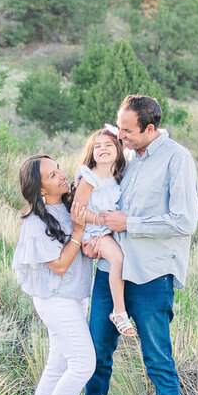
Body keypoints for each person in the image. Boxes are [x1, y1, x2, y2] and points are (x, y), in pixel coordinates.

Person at [72, 94, 198, 395]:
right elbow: (104, 206)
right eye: (119, 127)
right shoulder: (128, 159)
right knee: (97, 355)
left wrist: (131, 225)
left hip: (151, 276)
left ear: (149, 129)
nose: (120, 135)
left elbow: (185, 221)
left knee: (158, 361)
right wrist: (95, 241)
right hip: (111, 272)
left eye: (127, 131)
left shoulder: (178, 159)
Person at [12, 154, 95, 395]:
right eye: (51, 174)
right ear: (41, 189)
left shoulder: (68, 205)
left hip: (73, 297)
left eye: (58, 168)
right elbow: (60, 266)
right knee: (83, 362)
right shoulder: (36, 223)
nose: (61, 174)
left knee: (58, 363)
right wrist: (77, 230)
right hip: (55, 298)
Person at [71, 128, 136, 338]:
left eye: (108, 145)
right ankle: (119, 312)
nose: (103, 149)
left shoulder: (118, 176)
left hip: (107, 231)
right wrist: (102, 220)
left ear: (118, 149)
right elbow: (77, 210)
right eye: (97, 146)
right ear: (91, 152)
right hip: (94, 232)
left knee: (120, 259)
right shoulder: (89, 178)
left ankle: (120, 308)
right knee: (118, 258)